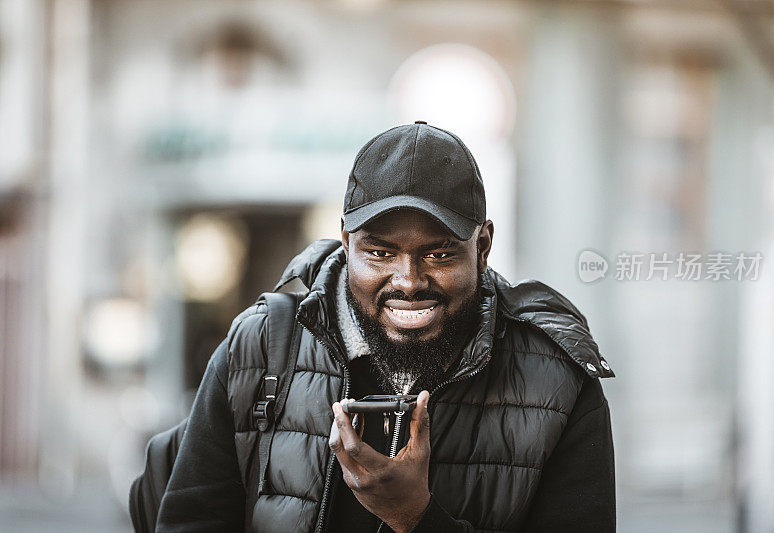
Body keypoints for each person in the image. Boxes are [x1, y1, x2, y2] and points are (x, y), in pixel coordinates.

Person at [154, 121, 616, 532]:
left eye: (439, 253)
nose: (409, 281)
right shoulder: (259, 348)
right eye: (379, 253)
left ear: (483, 245)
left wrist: (414, 517)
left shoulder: (558, 382)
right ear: (346, 241)